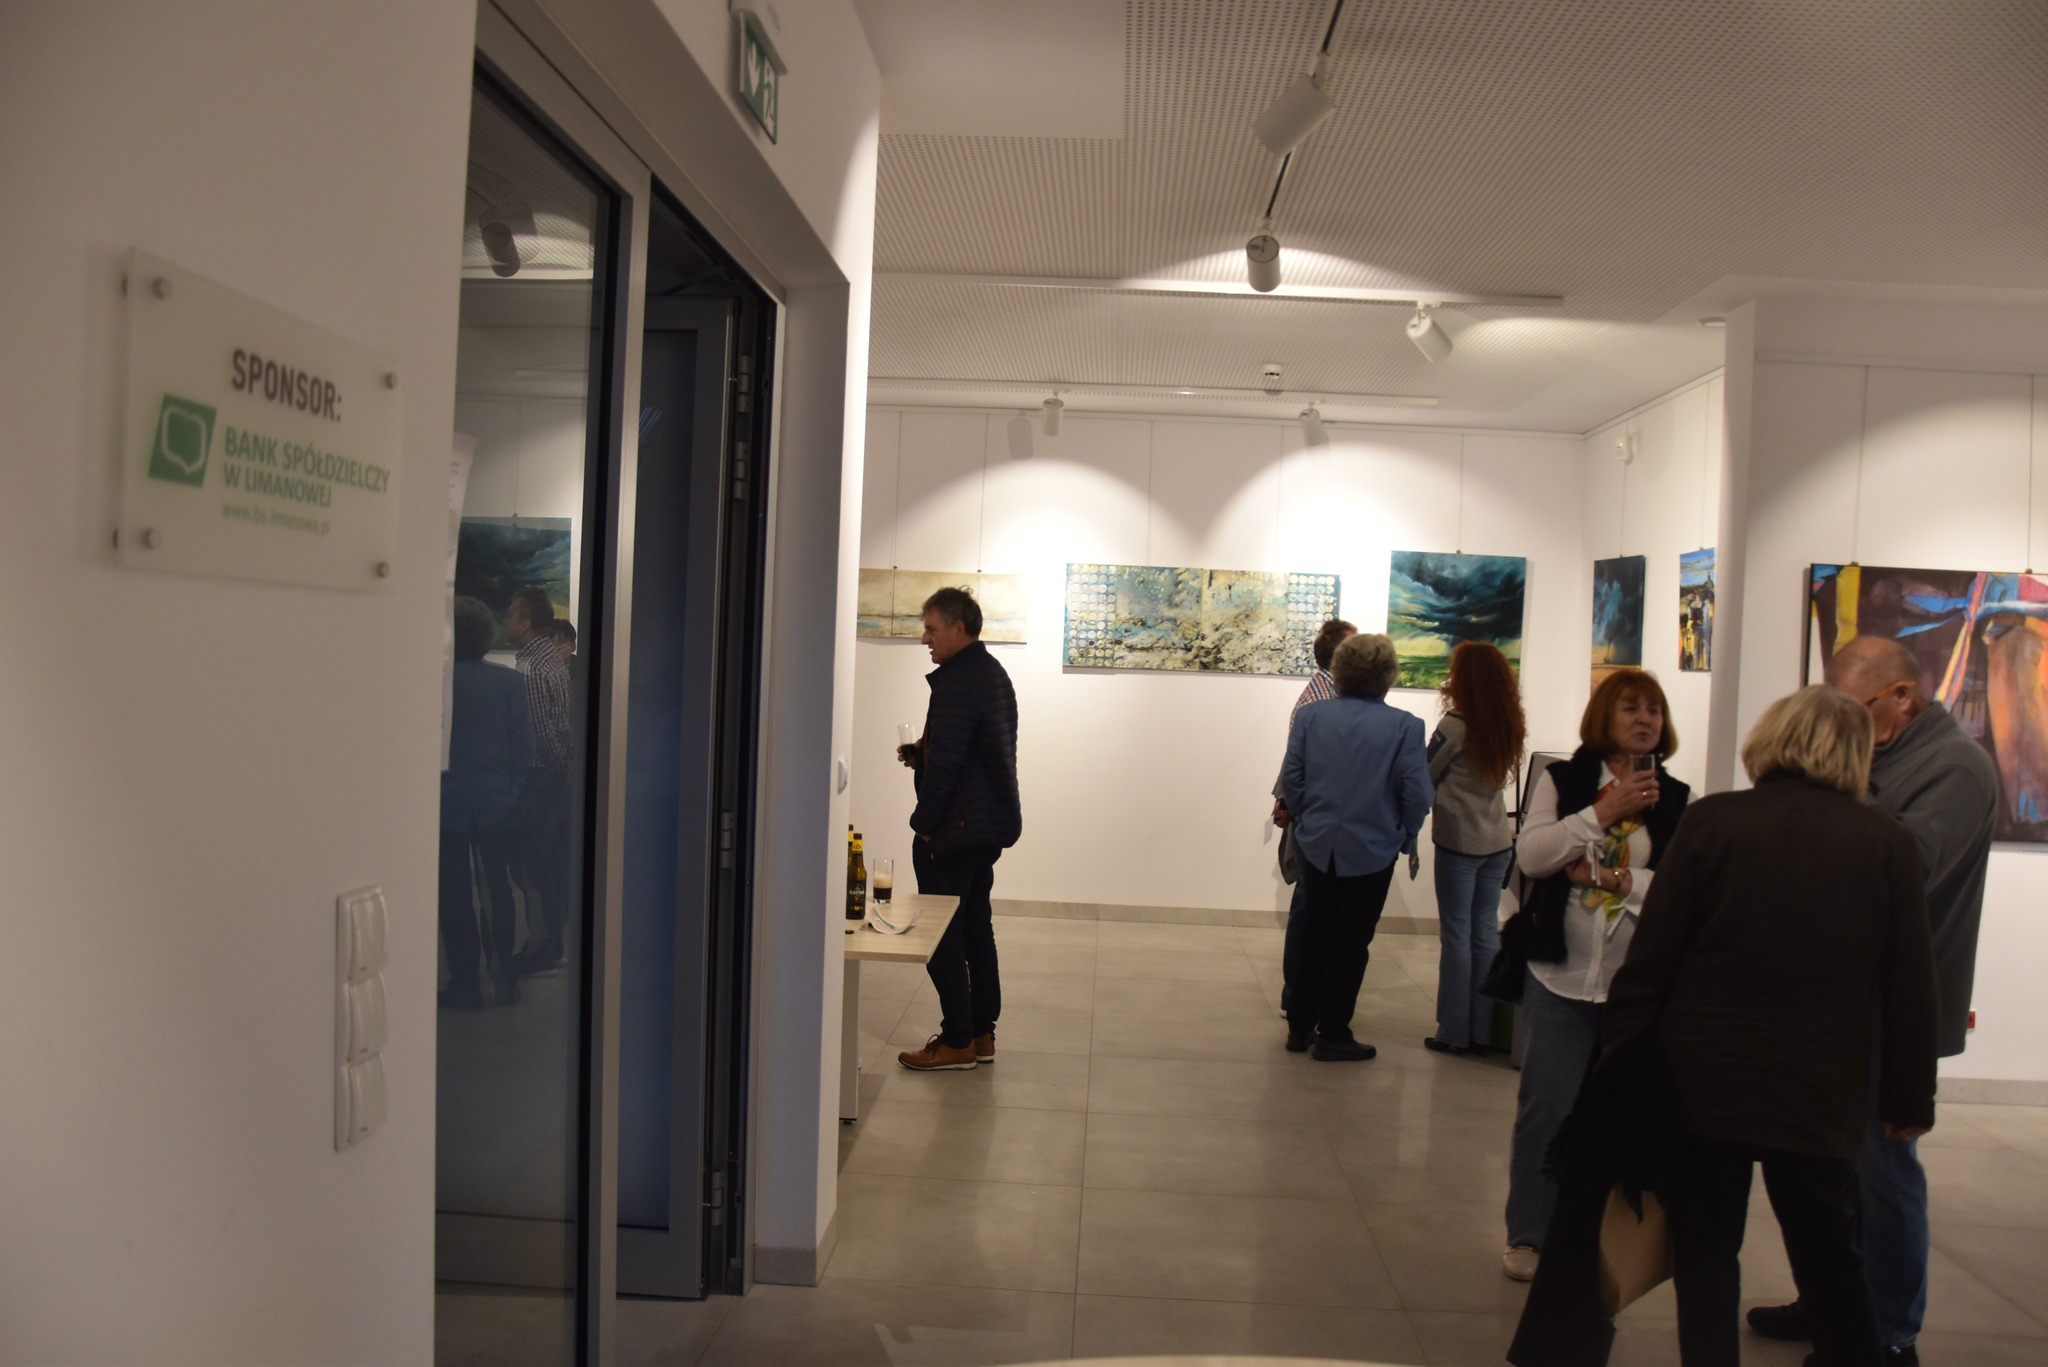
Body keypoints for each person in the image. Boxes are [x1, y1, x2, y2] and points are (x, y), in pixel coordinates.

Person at [1602, 686, 1938, 1367]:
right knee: (1830, 1254)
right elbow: (1910, 986)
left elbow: (1653, 958)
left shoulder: (1715, 821)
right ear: (1855, 753)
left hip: (1707, 1081)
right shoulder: (1887, 843)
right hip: (1819, 1087)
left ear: (1771, 739)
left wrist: (1616, 1061)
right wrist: (1908, 1100)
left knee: (1706, 1253)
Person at [1748, 636, 1998, 1366]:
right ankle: (1832, 1303)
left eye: (1853, 708)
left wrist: (1819, 817)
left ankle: (1888, 1332)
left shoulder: (1955, 766)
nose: (1843, 723)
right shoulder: (1884, 755)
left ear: (1902, 697)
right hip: (1839, 1004)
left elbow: (1903, 869)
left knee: (1881, 1173)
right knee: (1828, 1169)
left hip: (1894, 1012)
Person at [1501, 668, 1690, 1282]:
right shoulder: (1564, 780)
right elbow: (1534, 856)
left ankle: (1591, 1240)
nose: (1645, 719)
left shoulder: (1676, 798)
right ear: (1604, 715)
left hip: (1634, 989)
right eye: (1631, 708)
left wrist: (1616, 880)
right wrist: (1604, 810)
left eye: (1654, 710)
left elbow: (1682, 892)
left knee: (1621, 1118)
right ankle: (1530, 1235)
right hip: (1559, 976)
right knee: (1547, 1110)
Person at [1278, 633, 1432, 1061]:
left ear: (1340, 671)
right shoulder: (1405, 726)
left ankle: (1299, 1027)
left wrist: (1307, 817)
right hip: (1373, 848)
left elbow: (1292, 778)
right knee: (1351, 943)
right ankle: (1333, 1033)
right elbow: (1417, 793)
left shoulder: (1311, 717)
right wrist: (1404, 831)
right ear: (1387, 675)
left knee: (1312, 935)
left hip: (1317, 843)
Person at [895, 586, 1022, 1071]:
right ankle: (982, 1033)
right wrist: (920, 753)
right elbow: (974, 751)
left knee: (940, 935)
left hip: (954, 831)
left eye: (931, 629)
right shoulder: (991, 673)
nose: (924, 638)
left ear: (958, 628)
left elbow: (948, 765)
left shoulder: (957, 682)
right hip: (985, 828)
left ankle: (956, 1041)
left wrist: (924, 827)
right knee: (974, 928)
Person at [1424, 641, 1525, 1055]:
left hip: (1459, 841)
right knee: (1484, 933)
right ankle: (1483, 1032)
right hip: (1497, 840)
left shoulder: (1454, 725)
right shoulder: (1508, 722)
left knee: (1456, 936)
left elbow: (1424, 772)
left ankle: (1453, 1032)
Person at [439, 597, 535, 1009]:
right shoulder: (508, 683)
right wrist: (511, 789)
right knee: (499, 891)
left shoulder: (435, 681)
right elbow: (523, 745)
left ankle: (465, 983)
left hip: (446, 803)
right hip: (497, 801)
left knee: (454, 896)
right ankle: (505, 979)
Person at [1270, 617, 1357, 1014]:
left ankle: (1305, 998)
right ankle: (1298, 999)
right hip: (1317, 821)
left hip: (1318, 818)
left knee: (1315, 909)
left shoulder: (1329, 696)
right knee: (1310, 910)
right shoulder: (1319, 702)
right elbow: (1301, 765)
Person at [506, 585, 573, 975]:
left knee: (537, 866)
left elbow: (543, 734)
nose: (506, 620)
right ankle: (550, 943)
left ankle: (547, 948)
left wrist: (560, 768)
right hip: (552, 775)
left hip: (538, 777)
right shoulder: (551, 658)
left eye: (511, 615)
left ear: (526, 623)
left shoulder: (530, 668)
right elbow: (560, 725)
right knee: (548, 862)